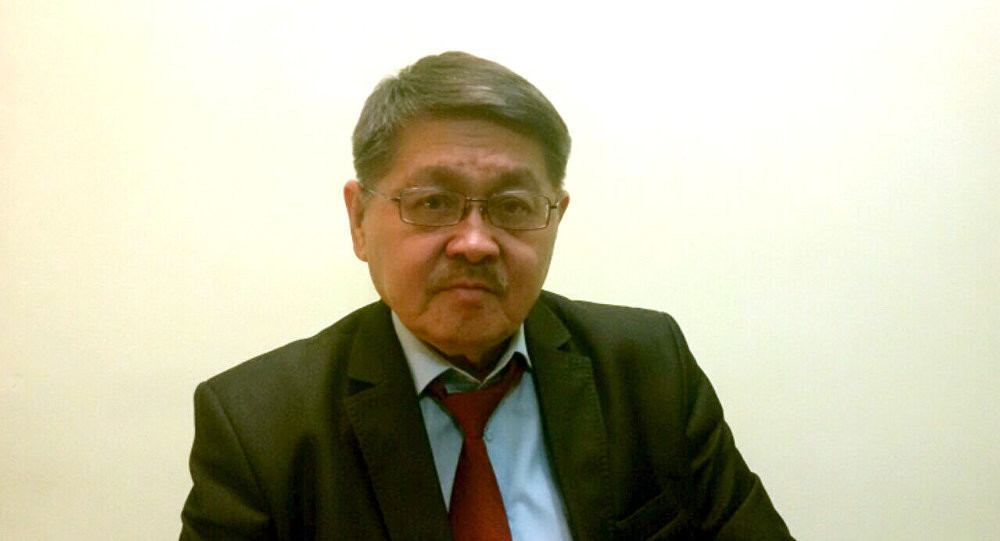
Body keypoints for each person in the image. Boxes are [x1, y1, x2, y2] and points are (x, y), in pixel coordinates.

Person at [179, 51, 793, 540]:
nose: (475, 243)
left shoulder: (649, 369)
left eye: (514, 206)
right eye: (432, 202)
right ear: (359, 219)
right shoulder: (260, 428)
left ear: (556, 218)